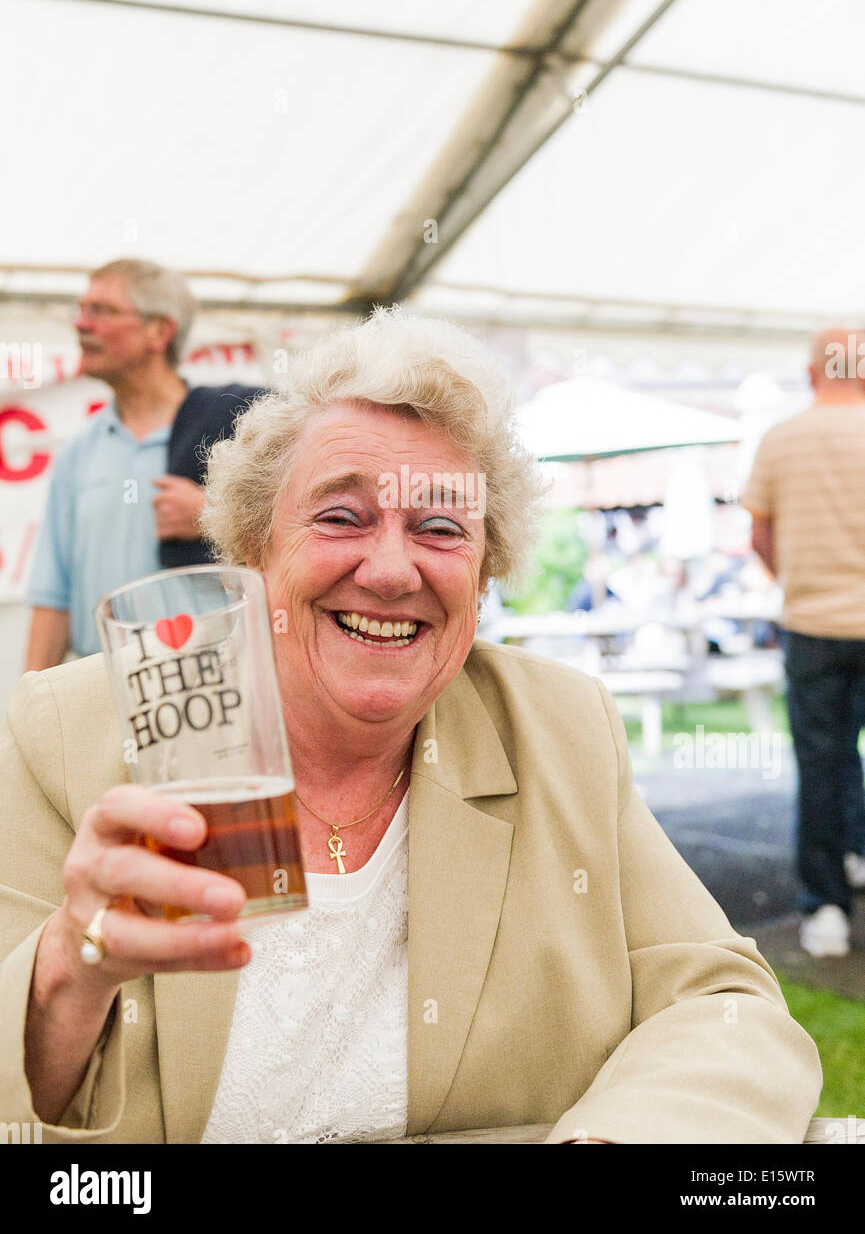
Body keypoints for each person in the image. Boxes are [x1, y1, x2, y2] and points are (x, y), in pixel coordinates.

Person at [0, 308, 820, 1144]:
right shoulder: (69, 732)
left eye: (439, 528)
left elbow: (723, 1008)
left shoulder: (559, 730)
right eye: (339, 516)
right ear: (252, 550)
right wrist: (68, 967)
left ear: (484, 573)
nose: (391, 570)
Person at [24, 259, 265, 669]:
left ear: (160, 330)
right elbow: (53, 597)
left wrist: (214, 517)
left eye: (102, 310)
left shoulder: (235, 428)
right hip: (102, 685)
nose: (82, 324)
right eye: (81, 310)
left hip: (212, 686)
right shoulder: (78, 451)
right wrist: (25, 710)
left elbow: (300, 538)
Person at [743, 327, 865, 959]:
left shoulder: (781, 439)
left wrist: (796, 575)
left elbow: (759, 536)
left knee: (822, 763)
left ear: (814, 373)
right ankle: (857, 852)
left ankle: (827, 912)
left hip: (813, 625)